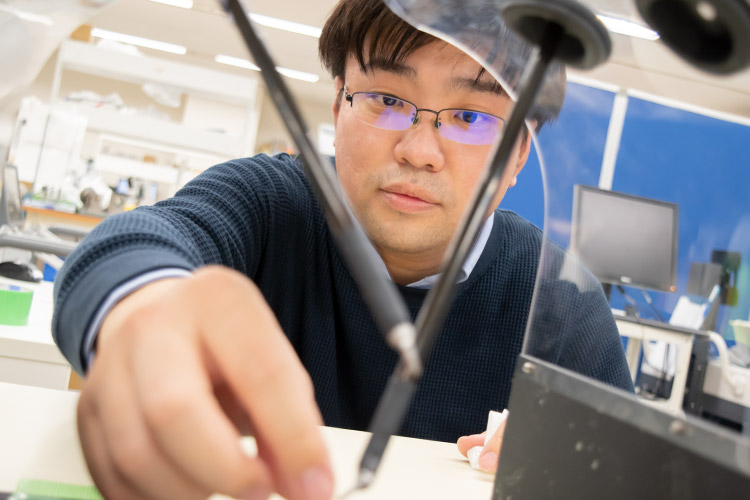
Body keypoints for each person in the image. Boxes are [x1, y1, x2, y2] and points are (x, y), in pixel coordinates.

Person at [52, 0, 633, 498]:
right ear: (337, 109)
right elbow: (132, 246)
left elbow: (625, 471)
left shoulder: (561, 301)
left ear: (517, 156)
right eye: (385, 98)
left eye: (469, 116)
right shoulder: (271, 202)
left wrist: (577, 463)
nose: (419, 149)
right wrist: (144, 311)